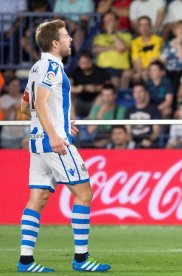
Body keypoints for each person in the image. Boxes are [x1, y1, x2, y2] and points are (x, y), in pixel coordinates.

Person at [17, 19, 110, 272]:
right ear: (55, 43)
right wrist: (56, 133)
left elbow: (26, 107)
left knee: (38, 197)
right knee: (84, 194)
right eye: (67, 36)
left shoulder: (36, 67)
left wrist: (61, 120)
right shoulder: (52, 68)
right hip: (54, 143)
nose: (70, 40)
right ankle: (81, 259)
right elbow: (42, 101)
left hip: (37, 142)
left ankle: (25, 261)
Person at [92, 11, 132, 88]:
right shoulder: (100, 36)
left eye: (110, 20)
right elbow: (96, 49)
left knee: (114, 81)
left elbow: (121, 48)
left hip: (119, 68)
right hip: (101, 69)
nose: (107, 23)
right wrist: (113, 47)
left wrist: (112, 32)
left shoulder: (126, 35)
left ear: (117, 22)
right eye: (106, 21)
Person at [69, 51, 110, 118]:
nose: (85, 64)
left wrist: (96, 88)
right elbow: (66, 87)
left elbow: (110, 87)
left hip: (96, 103)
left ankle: (90, 121)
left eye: (87, 62)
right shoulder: (74, 72)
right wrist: (77, 89)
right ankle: (73, 122)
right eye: (82, 62)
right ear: (78, 63)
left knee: (102, 96)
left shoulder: (101, 72)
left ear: (92, 61)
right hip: (78, 102)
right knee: (68, 95)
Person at [87, 83, 127, 148]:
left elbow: (121, 131)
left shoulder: (121, 110)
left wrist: (107, 141)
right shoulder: (96, 109)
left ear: (115, 95)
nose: (106, 98)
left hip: (114, 141)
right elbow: (90, 130)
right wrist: (100, 114)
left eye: (109, 95)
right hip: (97, 140)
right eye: (104, 95)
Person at [124, 83, 162, 148]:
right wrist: (133, 141)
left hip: (150, 143)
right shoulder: (129, 110)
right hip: (133, 143)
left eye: (140, 92)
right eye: (135, 92)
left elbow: (156, 131)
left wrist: (149, 140)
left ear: (145, 93)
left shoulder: (154, 109)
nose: (138, 95)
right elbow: (128, 130)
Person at [130, 16, 164, 83]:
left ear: (151, 26)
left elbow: (155, 58)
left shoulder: (158, 40)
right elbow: (136, 59)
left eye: (146, 25)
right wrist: (140, 72)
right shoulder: (135, 42)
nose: (144, 28)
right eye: (142, 25)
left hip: (154, 68)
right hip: (140, 69)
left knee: (146, 74)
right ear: (139, 28)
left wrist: (147, 70)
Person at [0, 78, 28, 148]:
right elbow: (3, 117)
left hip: (25, 137)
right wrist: (13, 107)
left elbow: (32, 116)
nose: (16, 88)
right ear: (7, 87)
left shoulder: (25, 98)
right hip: (7, 138)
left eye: (18, 86)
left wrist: (24, 108)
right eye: (13, 85)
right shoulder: (2, 99)